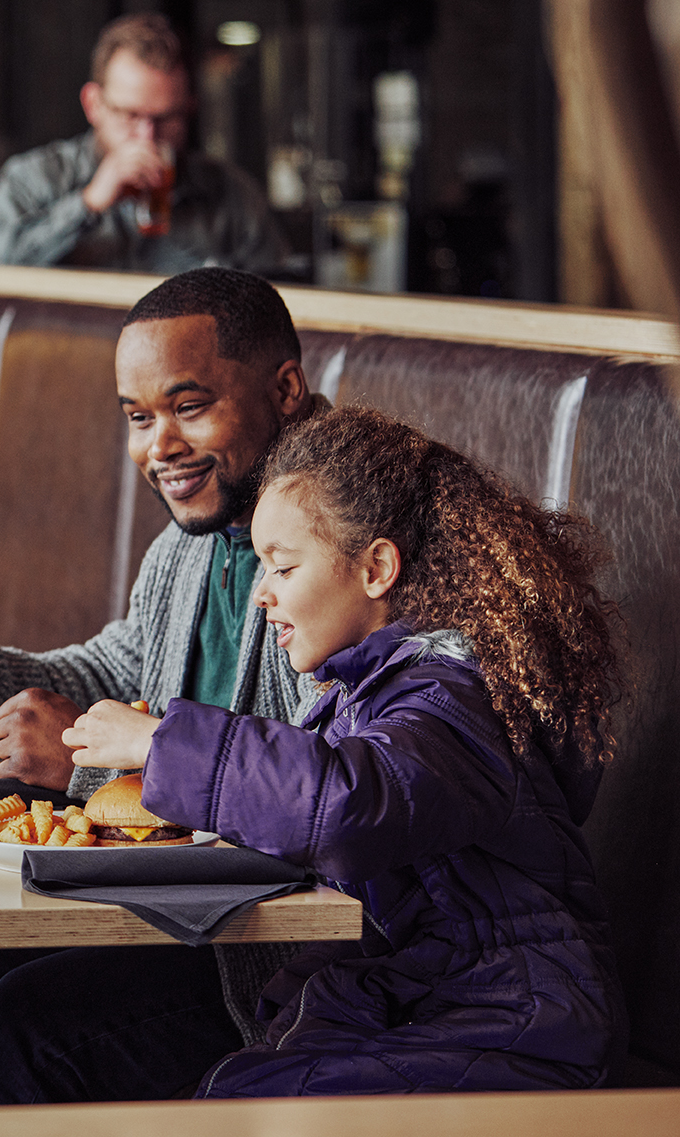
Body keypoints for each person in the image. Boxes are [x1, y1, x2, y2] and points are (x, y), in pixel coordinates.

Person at [50, 405, 624, 1095]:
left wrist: (157, 737)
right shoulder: (367, 690)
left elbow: (350, 802)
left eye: (283, 567)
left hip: (520, 1024)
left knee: (236, 1100)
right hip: (435, 995)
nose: (262, 592)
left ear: (377, 566)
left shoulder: (449, 697)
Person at [0, 266, 322, 1103]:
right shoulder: (192, 540)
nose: (160, 446)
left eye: (189, 408)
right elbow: (119, 671)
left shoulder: (341, 543)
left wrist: (80, 762)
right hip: (180, 913)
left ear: (285, 389)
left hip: (283, 954)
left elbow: (323, 779)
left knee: (27, 1031)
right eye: (138, 418)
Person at [0, 13, 282, 274]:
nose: (147, 136)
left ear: (190, 110)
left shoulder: (230, 193)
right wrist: (87, 205)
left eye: (166, 118)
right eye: (130, 115)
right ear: (93, 104)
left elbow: (281, 288)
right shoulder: (38, 176)